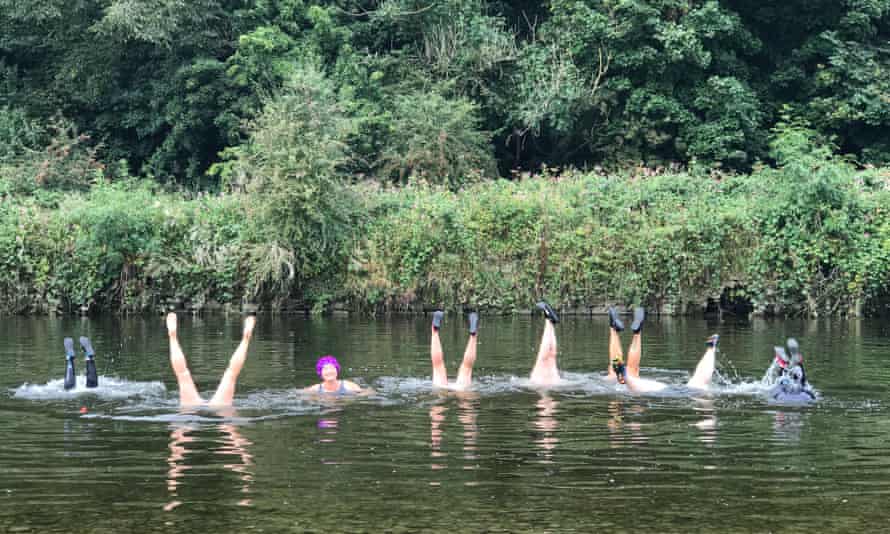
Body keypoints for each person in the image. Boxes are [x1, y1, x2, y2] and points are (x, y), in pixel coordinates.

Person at [606, 307, 718, 393]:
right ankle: (636, 333)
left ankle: (710, 348)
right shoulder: (700, 393)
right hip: (675, 391)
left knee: (699, 381)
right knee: (631, 372)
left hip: (675, 389)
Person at [166, 312, 255, 407]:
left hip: (191, 407)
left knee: (182, 374)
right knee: (231, 374)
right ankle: (246, 339)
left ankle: (172, 336)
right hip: (220, 406)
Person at [429, 310, 480, 390]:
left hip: (441, 388)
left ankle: (435, 330)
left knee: (438, 366)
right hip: (460, 388)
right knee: (467, 368)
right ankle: (473, 334)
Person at [765, 338, 816, 402]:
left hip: (786, 385)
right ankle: (790, 363)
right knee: (800, 383)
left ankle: (785, 364)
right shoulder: (804, 389)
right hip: (795, 386)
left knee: (783, 380)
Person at [529, 301, 561, 387]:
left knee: (550, 357)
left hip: (552, 381)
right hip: (553, 380)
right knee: (548, 357)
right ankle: (549, 320)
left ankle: (549, 321)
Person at [302, 355, 366, 395]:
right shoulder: (315, 389)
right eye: (325, 369)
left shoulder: (349, 386)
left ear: (337, 370)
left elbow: (367, 393)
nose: (329, 371)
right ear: (320, 373)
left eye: (332, 368)